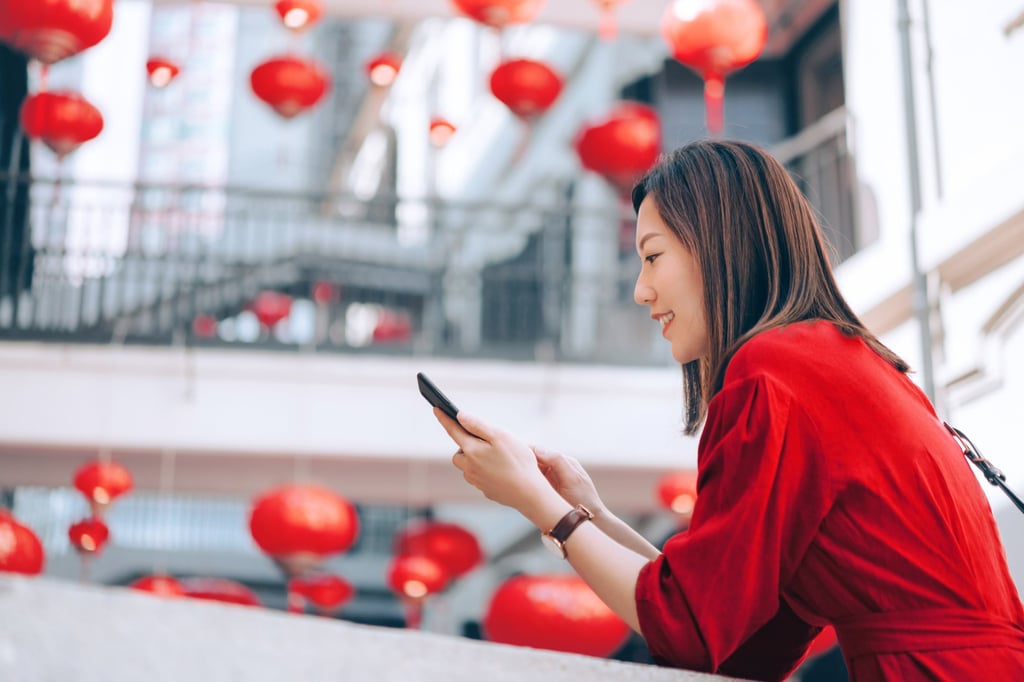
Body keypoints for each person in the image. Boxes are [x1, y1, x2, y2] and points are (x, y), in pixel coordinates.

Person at [433, 139, 1024, 681]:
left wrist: (536, 503)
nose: (641, 290)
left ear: (716, 245)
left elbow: (689, 628)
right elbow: (727, 631)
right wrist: (588, 514)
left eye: (653, 256)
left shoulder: (772, 371)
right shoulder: (841, 360)